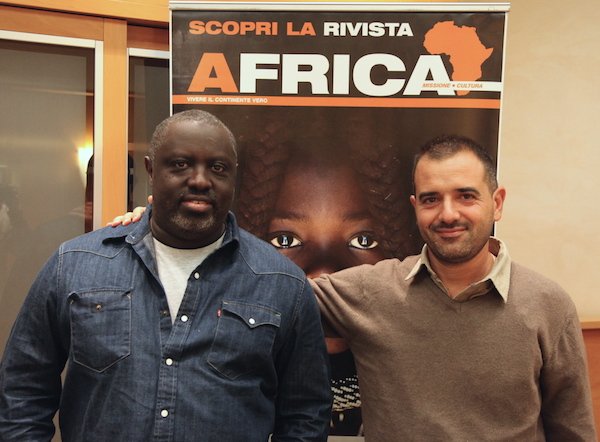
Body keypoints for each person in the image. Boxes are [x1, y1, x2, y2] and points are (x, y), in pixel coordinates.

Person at [0, 109, 332, 441]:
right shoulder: (76, 265)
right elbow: (21, 391)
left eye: (217, 168)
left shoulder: (282, 283)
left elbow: (306, 414)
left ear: (234, 176)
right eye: (180, 164)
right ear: (151, 170)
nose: (200, 180)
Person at [311, 135, 597, 440]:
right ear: (415, 207)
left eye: (466, 196)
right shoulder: (369, 293)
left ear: (497, 203)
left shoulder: (548, 305)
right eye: (431, 199)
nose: (448, 214)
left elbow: (572, 431)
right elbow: (282, 295)